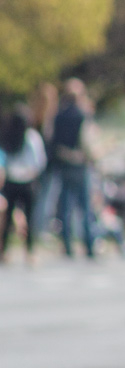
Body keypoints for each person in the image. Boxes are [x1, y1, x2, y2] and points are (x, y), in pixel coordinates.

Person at [50, 79, 97, 260]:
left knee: (66, 207)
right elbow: (87, 141)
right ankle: (89, 245)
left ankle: (68, 245)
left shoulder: (59, 116)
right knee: (85, 206)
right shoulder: (82, 115)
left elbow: (53, 140)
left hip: (64, 162)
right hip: (80, 163)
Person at [0, 106, 47, 264]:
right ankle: (30, 251)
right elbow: (39, 161)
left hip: (11, 181)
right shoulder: (32, 137)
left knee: (8, 219)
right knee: (30, 218)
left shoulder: (7, 135)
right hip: (28, 182)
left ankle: (4, 251)